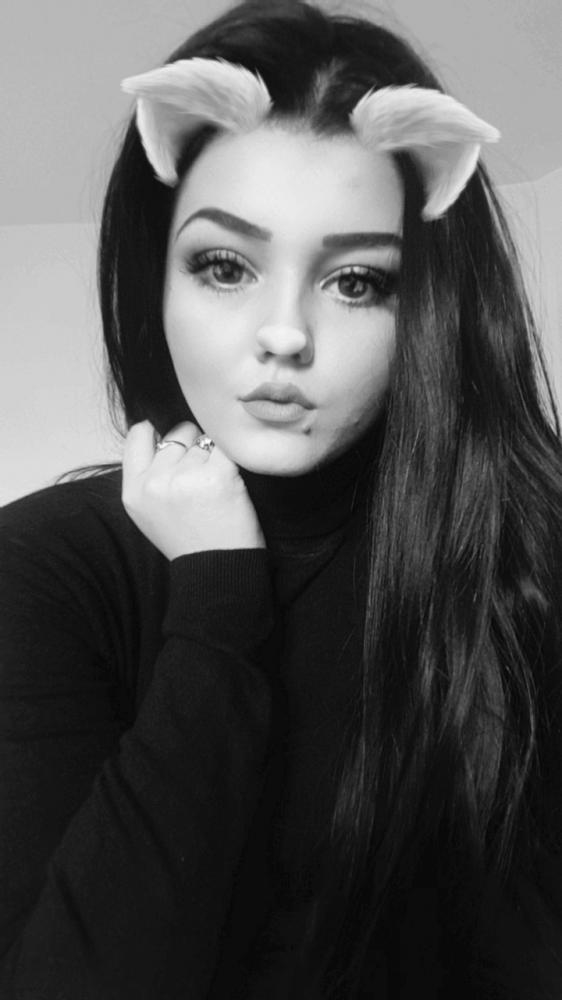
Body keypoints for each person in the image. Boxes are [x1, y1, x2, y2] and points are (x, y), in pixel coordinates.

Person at [1, 1, 562, 996]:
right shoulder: (44, 569)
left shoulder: (519, 552)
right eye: (225, 266)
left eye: (355, 281)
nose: (285, 335)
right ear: (155, 272)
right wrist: (216, 606)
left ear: (428, 307)